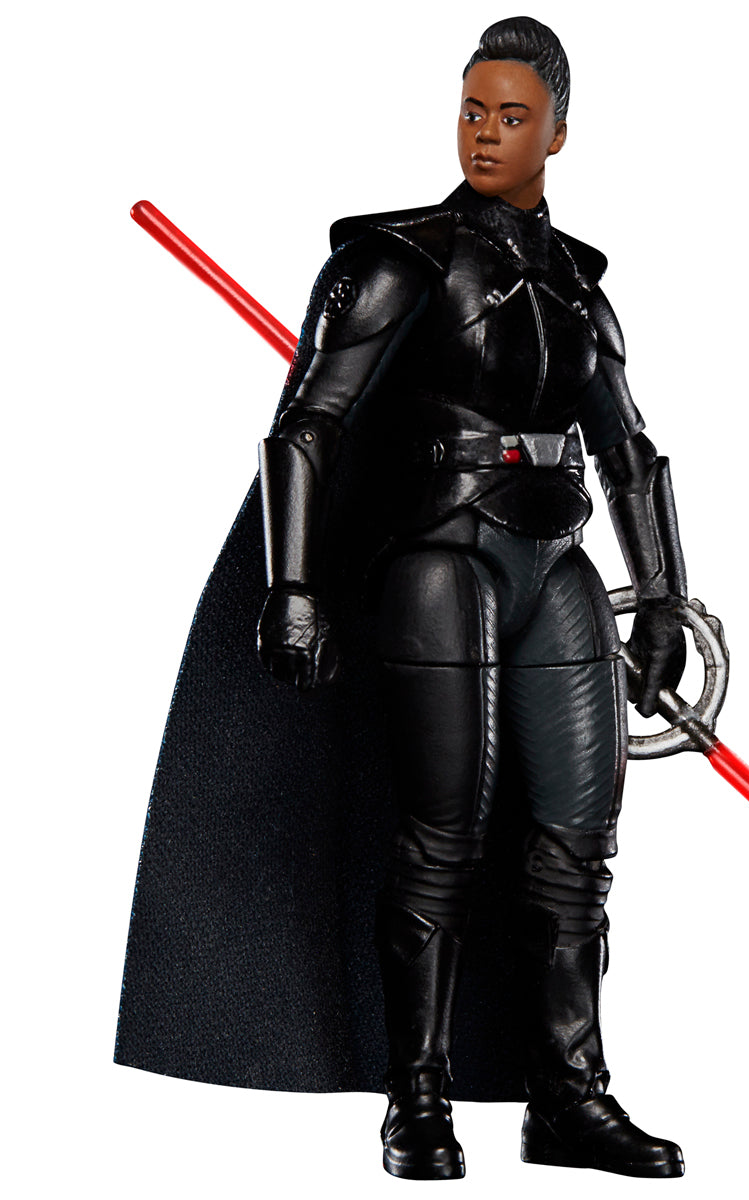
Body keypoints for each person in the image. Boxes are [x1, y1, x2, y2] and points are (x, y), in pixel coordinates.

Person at [117, 15, 689, 1182]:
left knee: (576, 847)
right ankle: (415, 1101)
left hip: (559, 566)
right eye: (473, 111)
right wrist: (291, 586)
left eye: (512, 116)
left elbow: (627, 450)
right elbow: (308, 427)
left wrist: (669, 595)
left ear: (558, 133)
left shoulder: (581, 287)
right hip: (442, 560)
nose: (486, 133)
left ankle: (569, 1098)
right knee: (443, 838)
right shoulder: (397, 261)